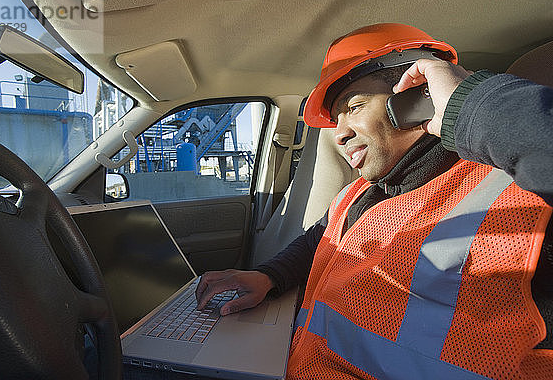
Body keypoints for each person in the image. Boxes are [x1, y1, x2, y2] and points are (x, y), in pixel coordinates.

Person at [195, 23, 553, 379]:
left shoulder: (520, 196)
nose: (339, 134)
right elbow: (316, 243)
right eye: (335, 119)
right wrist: (268, 275)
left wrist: (466, 104)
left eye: (355, 107)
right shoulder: (358, 196)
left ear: (419, 95)